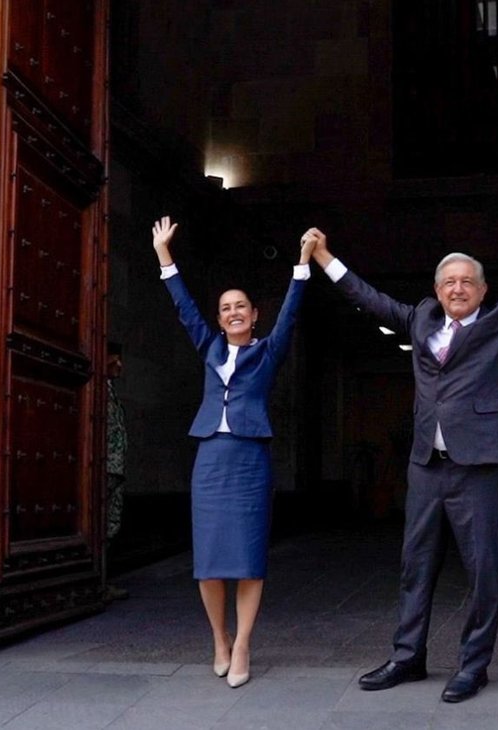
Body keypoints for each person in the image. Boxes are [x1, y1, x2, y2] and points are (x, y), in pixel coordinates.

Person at [303, 173, 498, 703]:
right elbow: (370, 299)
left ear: (482, 290)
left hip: (482, 466)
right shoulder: (420, 320)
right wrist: (324, 259)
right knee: (415, 565)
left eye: (467, 282)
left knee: (483, 570)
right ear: (436, 290)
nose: (457, 288)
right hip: (427, 465)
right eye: (448, 281)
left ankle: (472, 667)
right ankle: (408, 658)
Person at [151, 215, 315, 689]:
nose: (233, 312)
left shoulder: (269, 351)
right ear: (220, 319)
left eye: (241, 306)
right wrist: (166, 256)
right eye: (226, 308)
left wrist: (302, 265)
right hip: (211, 460)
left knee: (247, 557)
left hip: (249, 463)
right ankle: (219, 640)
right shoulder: (207, 348)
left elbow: (290, 313)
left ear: (253, 314)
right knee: (208, 560)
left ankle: (243, 643)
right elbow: (184, 308)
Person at [104, 342, 129, 601]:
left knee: (111, 525)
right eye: (115, 359)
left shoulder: (110, 391)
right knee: (100, 526)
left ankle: (102, 581)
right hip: (104, 469)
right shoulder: (95, 390)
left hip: (115, 469)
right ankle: (96, 584)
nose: (120, 365)